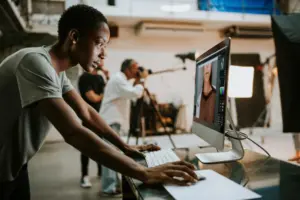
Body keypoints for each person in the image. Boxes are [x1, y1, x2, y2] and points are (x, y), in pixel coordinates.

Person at [0, 4, 198, 200]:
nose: (104, 54)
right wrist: (142, 172)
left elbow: (86, 112)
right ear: (75, 37)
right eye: (100, 43)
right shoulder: (34, 63)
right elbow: (73, 131)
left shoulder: (55, 72)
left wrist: (125, 147)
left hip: (15, 167)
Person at [99, 58, 145, 196]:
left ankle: (113, 185)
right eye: (135, 68)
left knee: (113, 154)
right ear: (127, 69)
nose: (137, 71)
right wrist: (142, 81)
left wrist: (138, 82)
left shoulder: (120, 79)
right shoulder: (118, 80)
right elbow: (134, 93)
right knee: (110, 154)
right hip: (110, 121)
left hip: (112, 121)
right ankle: (108, 188)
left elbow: (132, 95)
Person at [78, 66, 108, 188]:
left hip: (101, 117)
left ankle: (101, 172)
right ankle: (84, 176)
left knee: (102, 145)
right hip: (89, 118)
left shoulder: (100, 77)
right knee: (87, 147)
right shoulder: (85, 77)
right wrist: (103, 95)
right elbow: (93, 97)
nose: (102, 59)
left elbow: (104, 94)